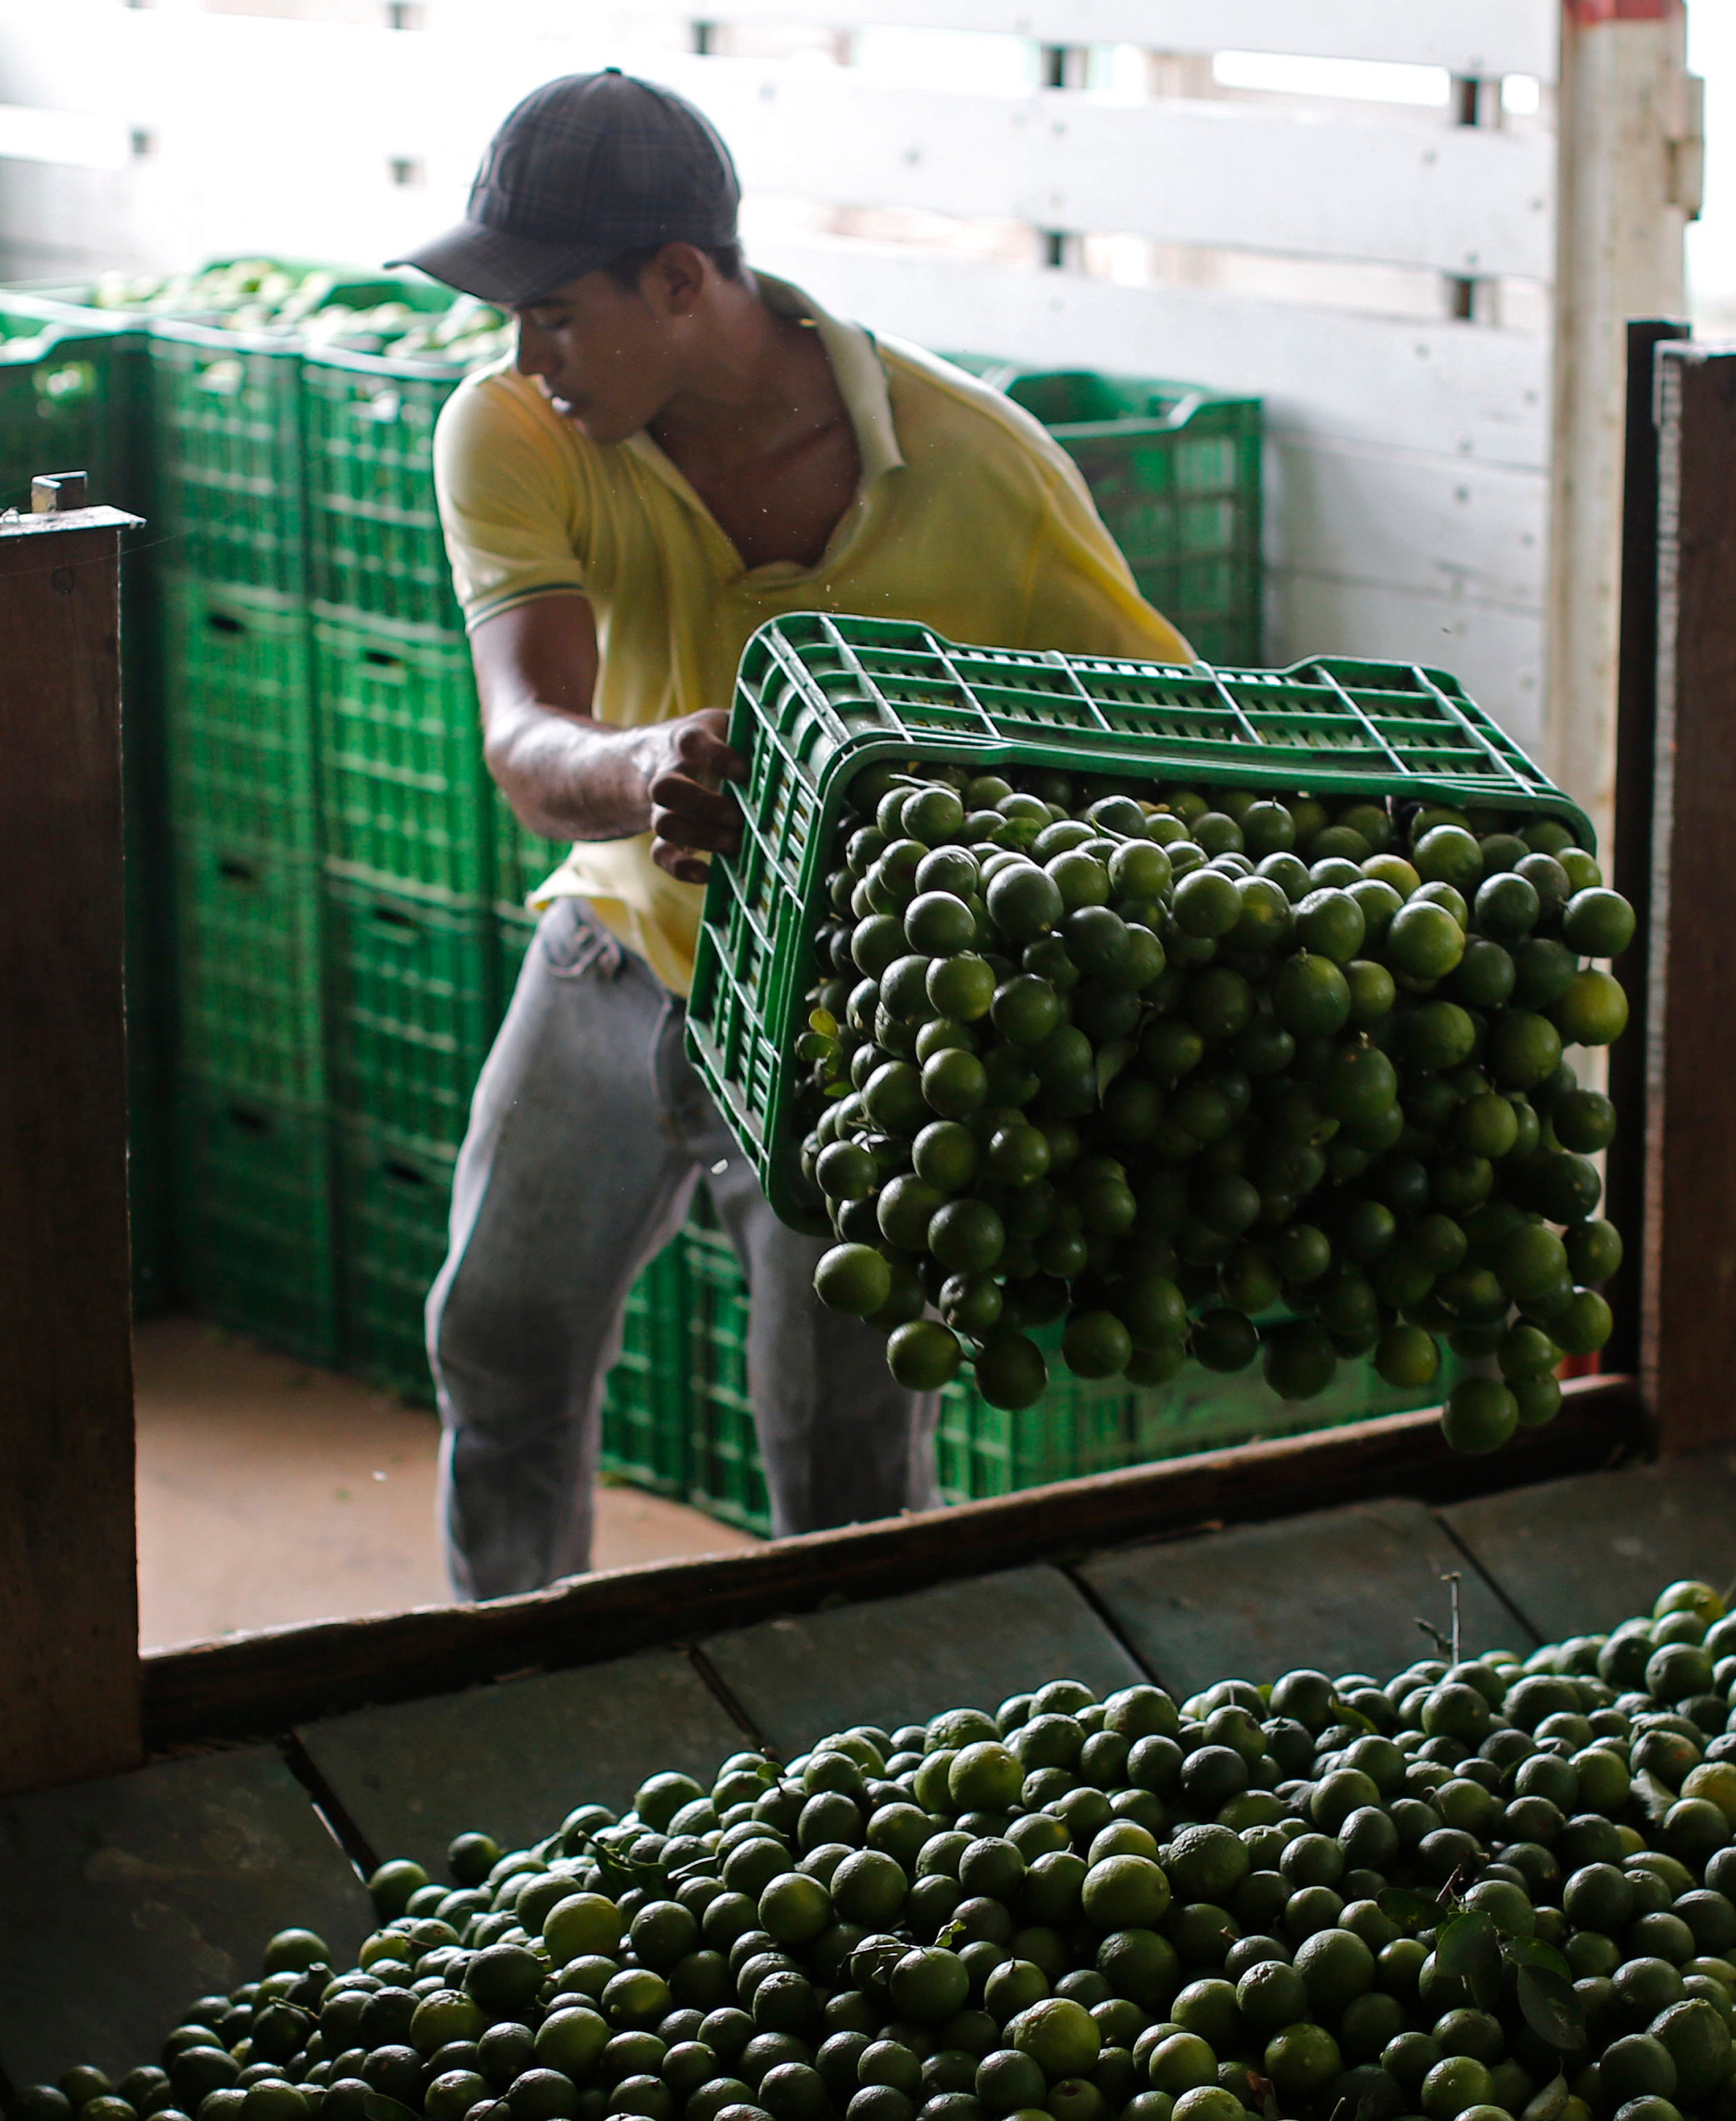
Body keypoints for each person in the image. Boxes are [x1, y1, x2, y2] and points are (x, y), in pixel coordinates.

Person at [401, 67, 1192, 1599]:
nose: (523, 353)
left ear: (682, 281)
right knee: (497, 1349)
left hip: (862, 1025)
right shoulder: (516, 429)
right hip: (620, 953)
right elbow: (526, 732)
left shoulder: (986, 474)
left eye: (556, 310)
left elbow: (1148, 748)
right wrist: (640, 769)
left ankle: (845, 1764)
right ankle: (497, 1678)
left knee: (840, 1457)